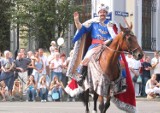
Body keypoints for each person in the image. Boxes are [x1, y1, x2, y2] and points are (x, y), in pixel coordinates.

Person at [72, 3, 125, 87]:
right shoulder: (93, 23)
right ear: (98, 13)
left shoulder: (111, 24)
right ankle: (81, 76)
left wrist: (107, 41)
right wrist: (76, 21)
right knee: (87, 58)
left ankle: (122, 81)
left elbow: (115, 37)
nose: (102, 13)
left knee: (120, 61)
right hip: (95, 46)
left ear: (107, 13)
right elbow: (81, 28)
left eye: (104, 12)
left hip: (108, 46)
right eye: (101, 12)